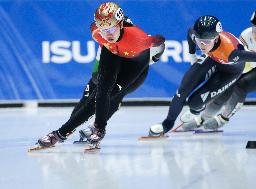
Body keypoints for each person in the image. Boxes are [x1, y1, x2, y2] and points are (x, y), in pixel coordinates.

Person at [32, 2, 165, 149]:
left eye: (112, 28)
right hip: (112, 52)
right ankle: (61, 134)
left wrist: (155, 53)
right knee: (97, 94)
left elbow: (159, 43)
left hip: (135, 64)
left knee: (113, 94)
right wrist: (97, 75)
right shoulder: (97, 33)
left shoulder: (139, 40)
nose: (108, 33)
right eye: (104, 29)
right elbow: (100, 55)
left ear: (121, 25)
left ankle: (94, 128)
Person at [149, 15, 256, 136]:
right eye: (199, 40)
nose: (202, 46)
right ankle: (167, 124)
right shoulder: (196, 34)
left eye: (206, 42)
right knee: (183, 90)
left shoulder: (231, 53)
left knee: (194, 102)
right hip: (212, 58)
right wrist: (192, 55)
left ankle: (196, 110)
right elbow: (190, 32)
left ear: (216, 38)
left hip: (229, 72)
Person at [181, 8, 256, 131]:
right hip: (252, 64)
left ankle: (223, 118)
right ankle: (203, 118)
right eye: (255, 29)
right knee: (228, 84)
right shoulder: (246, 35)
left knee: (241, 86)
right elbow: (240, 59)